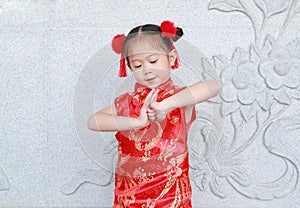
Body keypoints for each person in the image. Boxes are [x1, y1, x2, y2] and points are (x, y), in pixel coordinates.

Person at [87, 20, 219, 207]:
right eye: (138, 65)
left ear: (171, 58)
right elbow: (93, 121)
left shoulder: (181, 99)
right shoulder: (126, 102)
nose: (146, 69)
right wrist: (137, 122)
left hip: (172, 200)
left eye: (153, 61)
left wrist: (166, 105)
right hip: (129, 198)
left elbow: (212, 87)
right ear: (130, 67)